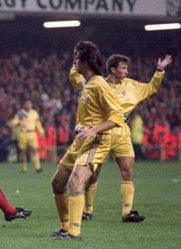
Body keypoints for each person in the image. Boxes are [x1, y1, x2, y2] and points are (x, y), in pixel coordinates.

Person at [69, 54, 171, 222]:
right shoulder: (98, 83)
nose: (126, 71)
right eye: (123, 68)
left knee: (127, 170)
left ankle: (127, 212)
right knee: (93, 174)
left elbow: (151, 87)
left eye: (126, 68)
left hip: (122, 133)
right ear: (113, 70)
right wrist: (75, 64)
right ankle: (87, 210)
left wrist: (159, 70)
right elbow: (77, 77)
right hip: (102, 132)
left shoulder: (131, 85)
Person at [51, 41, 125, 240]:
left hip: (96, 141)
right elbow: (72, 74)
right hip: (80, 140)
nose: (74, 61)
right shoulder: (86, 82)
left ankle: (74, 233)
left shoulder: (100, 85)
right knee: (57, 183)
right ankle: (64, 227)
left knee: (76, 182)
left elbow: (117, 116)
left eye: (77, 58)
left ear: (86, 62)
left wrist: (93, 130)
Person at [9, 100, 45, 173]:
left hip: (32, 133)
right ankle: (23, 168)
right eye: (27, 104)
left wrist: (41, 131)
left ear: (31, 105)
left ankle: (37, 167)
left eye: (30, 104)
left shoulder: (34, 113)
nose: (28, 106)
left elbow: (38, 123)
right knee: (23, 151)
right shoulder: (21, 113)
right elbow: (14, 122)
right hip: (23, 134)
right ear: (24, 105)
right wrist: (19, 122)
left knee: (35, 150)